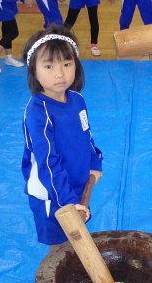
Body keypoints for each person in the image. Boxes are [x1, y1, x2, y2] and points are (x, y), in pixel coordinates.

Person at [21, 25, 103, 245]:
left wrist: (94, 163)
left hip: (77, 183)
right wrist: (67, 202)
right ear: (33, 71)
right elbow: (48, 162)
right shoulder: (38, 112)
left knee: (76, 240)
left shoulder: (77, 100)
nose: (59, 74)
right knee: (60, 246)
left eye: (67, 64)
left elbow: (87, 137)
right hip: (52, 194)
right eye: (48, 66)